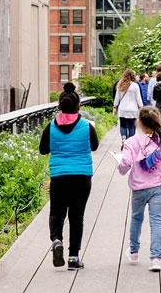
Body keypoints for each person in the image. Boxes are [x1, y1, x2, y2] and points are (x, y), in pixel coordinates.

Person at [39, 83, 99, 271]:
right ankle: (74, 257)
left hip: (59, 177)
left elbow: (43, 150)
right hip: (82, 178)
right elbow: (95, 146)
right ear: (78, 106)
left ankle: (57, 240)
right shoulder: (87, 126)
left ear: (58, 107)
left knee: (56, 212)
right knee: (76, 216)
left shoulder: (51, 127)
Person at [118, 106, 161, 272]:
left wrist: (121, 168)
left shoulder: (131, 142)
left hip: (138, 187)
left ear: (138, 122)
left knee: (136, 218)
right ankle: (155, 259)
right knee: (156, 221)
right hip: (158, 187)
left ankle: (133, 251)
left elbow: (124, 165)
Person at [113, 69, 144, 149]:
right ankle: (130, 143)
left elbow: (117, 98)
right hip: (133, 110)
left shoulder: (120, 85)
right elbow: (138, 99)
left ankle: (123, 138)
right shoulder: (135, 86)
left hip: (122, 109)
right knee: (131, 126)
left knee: (123, 126)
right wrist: (141, 108)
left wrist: (115, 107)